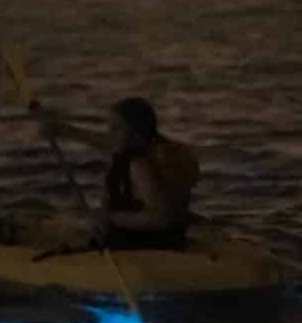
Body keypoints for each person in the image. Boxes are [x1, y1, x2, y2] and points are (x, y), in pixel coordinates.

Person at [37, 97, 199, 250]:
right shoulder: (143, 146)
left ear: (135, 132)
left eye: (116, 128)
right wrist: (62, 130)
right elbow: (106, 141)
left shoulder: (139, 166)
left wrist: (109, 218)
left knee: (74, 232)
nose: (110, 133)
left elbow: (160, 218)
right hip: (165, 236)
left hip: (150, 241)